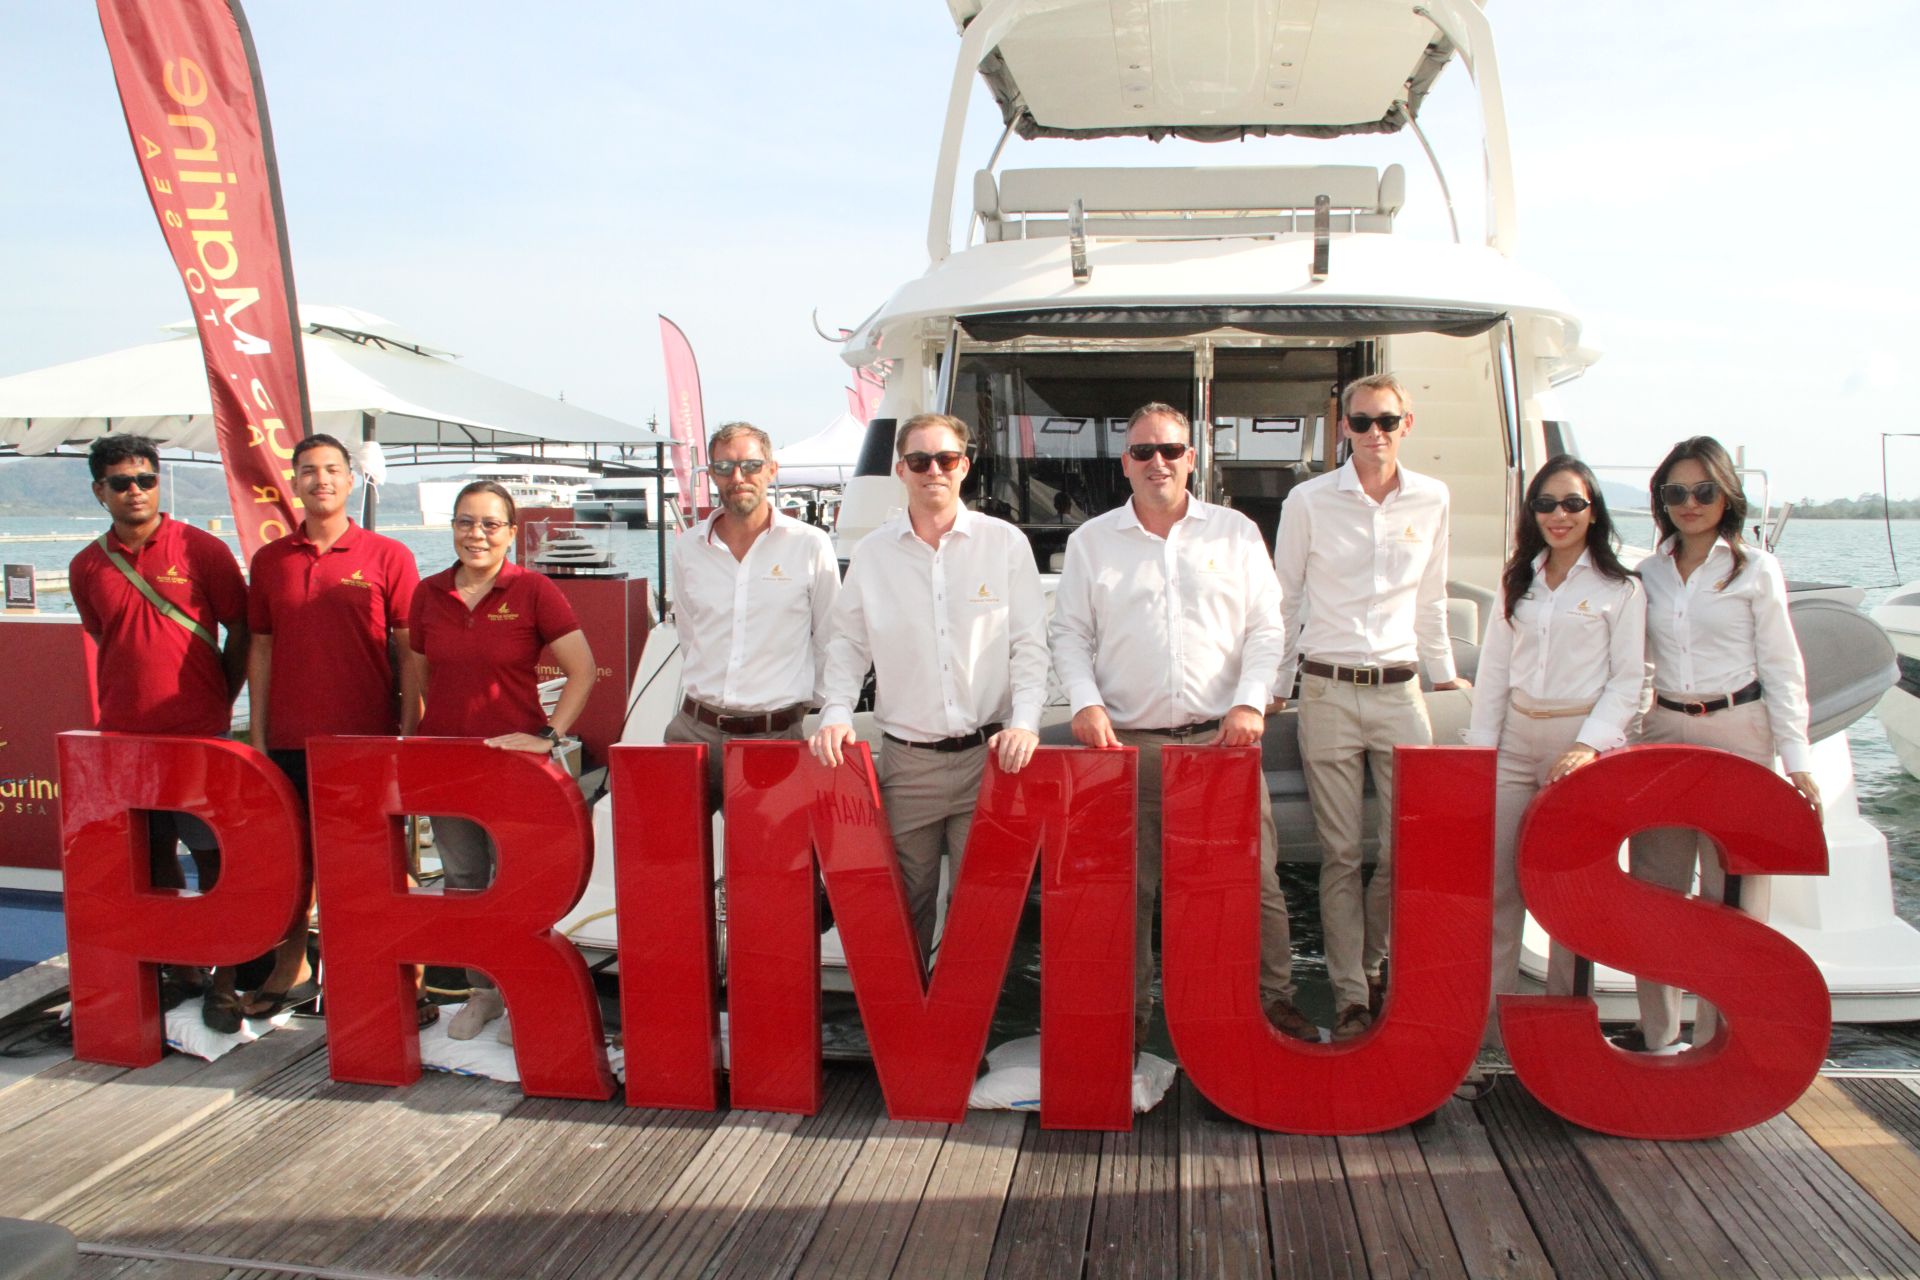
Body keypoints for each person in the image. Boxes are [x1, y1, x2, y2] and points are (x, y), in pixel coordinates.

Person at [1051, 403, 1311, 1044]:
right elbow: (1069, 634)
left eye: (1170, 450)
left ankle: (1272, 1002)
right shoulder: (1092, 542)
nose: (1157, 462)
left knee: (1254, 883)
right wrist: (1084, 703)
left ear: (1191, 459)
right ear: (1125, 464)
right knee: (1127, 892)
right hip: (1127, 747)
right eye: (1143, 452)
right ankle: (1128, 1020)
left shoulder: (1236, 533)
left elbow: (1267, 628)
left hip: (1222, 743)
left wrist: (1250, 701)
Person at [808, 413, 1047, 967]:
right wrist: (836, 711)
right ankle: (906, 1018)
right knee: (902, 906)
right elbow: (848, 644)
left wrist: (1026, 723)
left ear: (964, 466)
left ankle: (962, 1020)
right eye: (919, 460)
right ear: (901, 470)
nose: (932, 470)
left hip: (990, 760)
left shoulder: (1005, 544)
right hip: (907, 764)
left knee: (979, 909)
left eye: (945, 459)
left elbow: (1030, 647)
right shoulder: (873, 553)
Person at [1272, 372, 1469, 1040]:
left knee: (1405, 848)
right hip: (1326, 689)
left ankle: (1373, 964)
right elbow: (1285, 598)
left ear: (1406, 424)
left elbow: (1432, 598)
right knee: (1339, 855)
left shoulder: (1433, 498)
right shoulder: (1308, 501)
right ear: (1344, 429)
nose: (1374, 433)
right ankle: (1352, 997)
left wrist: (1445, 676)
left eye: (1386, 420)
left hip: (1400, 689)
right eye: (1361, 422)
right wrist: (1277, 685)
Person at [1622, 436, 1819, 1053]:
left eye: (1703, 490)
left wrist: (1797, 760)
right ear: (1661, 500)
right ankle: (1659, 1036)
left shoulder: (1756, 570)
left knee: (1733, 896)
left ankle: (1719, 1044)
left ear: (1726, 495)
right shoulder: (1646, 573)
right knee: (1656, 891)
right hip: (1663, 730)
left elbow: (1782, 669)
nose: (1690, 502)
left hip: (1739, 730)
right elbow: (1630, 667)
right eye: (1675, 492)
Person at [67, 434, 249, 1030]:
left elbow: (242, 628)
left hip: (199, 737)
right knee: (151, 861)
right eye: (121, 482)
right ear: (100, 491)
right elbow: (106, 637)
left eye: (146, 479)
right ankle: (183, 969)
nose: (136, 491)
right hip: (125, 741)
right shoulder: (86, 566)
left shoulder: (202, 549)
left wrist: (219, 696)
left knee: (214, 857)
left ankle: (226, 978)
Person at [406, 481, 597, 1042]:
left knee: (520, 882)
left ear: (511, 533)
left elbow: (583, 671)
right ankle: (483, 992)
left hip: (515, 769)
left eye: (491, 524)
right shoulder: (428, 594)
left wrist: (548, 735)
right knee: (464, 881)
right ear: (453, 528)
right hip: (448, 765)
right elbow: (419, 678)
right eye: (466, 522)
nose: (477, 534)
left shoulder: (533, 590)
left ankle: (526, 992)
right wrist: (421, 743)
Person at [1463, 456, 1643, 1034]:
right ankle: (1490, 1031)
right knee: (1499, 890)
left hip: (1577, 747)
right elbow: (1494, 671)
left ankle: (1564, 1031)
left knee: (1570, 897)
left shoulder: (1622, 588)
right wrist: (1483, 750)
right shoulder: (1518, 578)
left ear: (1594, 511)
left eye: (1572, 503)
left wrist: (1588, 746)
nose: (1558, 515)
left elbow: (1627, 683)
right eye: (1545, 504)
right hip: (1515, 742)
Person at [246, 433, 423, 1023]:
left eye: (330, 469)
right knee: (291, 866)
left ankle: (410, 978)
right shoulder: (269, 560)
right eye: (307, 470)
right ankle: (292, 970)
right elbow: (260, 650)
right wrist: (258, 738)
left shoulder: (388, 555)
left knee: (381, 868)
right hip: (290, 740)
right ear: (293, 482)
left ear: (350, 480)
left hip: (366, 742)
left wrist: (408, 732)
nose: (320, 479)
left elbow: (410, 651)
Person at [667, 422, 838, 804]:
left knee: (772, 845)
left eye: (751, 465)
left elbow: (831, 637)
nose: (738, 477)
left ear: (771, 470)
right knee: (667, 842)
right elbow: (690, 635)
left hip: (773, 738)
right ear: (712, 474)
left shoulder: (810, 544)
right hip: (693, 731)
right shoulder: (688, 547)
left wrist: (814, 710)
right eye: (724, 467)